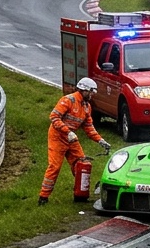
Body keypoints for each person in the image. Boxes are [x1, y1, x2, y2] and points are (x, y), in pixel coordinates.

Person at [40, 77, 109, 205]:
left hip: (71, 138)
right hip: (58, 137)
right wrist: (68, 131)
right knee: (54, 167)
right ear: (84, 90)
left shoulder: (87, 106)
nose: (92, 95)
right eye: (91, 92)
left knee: (82, 164)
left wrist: (100, 140)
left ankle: (80, 195)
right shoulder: (68, 100)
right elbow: (54, 117)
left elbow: (89, 127)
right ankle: (43, 197)